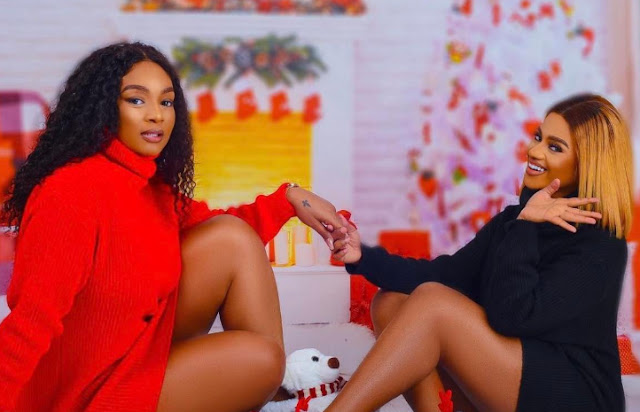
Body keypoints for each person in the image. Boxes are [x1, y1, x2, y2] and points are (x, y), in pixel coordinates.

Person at [0, 42, 346, 412]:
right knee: (262, 358)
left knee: (230, 237)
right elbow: (31, 321)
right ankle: (264, 383)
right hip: (82, 393)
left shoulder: (150, 187)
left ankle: (262, 387)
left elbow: (231, 234)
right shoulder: (69, 192)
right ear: (102, 108)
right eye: (136, 100)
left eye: (166, 102)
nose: (156, 116)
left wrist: (291, 198)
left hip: (134, 352)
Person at [329, 94, 632, 412]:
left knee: (433, 303)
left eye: (555, 147)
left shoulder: (600, 245)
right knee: (392, 302)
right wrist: (362, 256)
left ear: (587, 165)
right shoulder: (513, 221)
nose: (534, 151)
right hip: (521, 370)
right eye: (538, 137)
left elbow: (514, 318)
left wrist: (526, 226)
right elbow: (443, 275)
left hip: (575, 392)